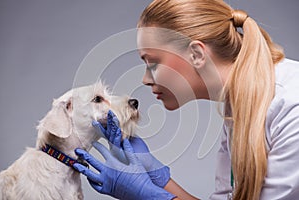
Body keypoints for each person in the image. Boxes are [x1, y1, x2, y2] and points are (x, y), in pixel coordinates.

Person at [73, 0, 299, 199]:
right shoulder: (237, 111)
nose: (145, 79)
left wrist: (148, 196)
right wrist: (157, 178)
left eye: (152, 63)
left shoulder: (292, 106)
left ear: (197, 55)